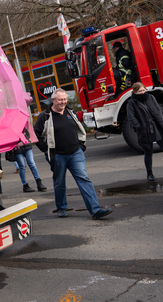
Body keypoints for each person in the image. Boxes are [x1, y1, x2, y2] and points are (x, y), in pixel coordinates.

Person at [34, 88, 113, 219]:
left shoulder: (70, 112)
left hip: (76, 153)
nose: (63, 102)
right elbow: (37, 135)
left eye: (65, 99)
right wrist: (46, 150)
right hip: (58, 155)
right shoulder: (45, 116)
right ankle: (61, 207)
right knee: (59, 182)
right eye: (60, 100)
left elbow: (78, 129)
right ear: (53, 100)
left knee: (84, 179)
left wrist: (81, 145)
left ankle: (95, 210)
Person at [126, 82, 163, 182]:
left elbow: (158, 110)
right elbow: (131, 118)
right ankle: (150, 174)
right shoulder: (131, 103)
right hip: (145, 130)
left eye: (143, 90)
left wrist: (162, 121)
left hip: (158, 127)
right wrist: (140, 127)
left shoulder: (150, 97)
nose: (143, 92)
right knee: (148, 152)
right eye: (140, 91)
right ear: (135, 92)